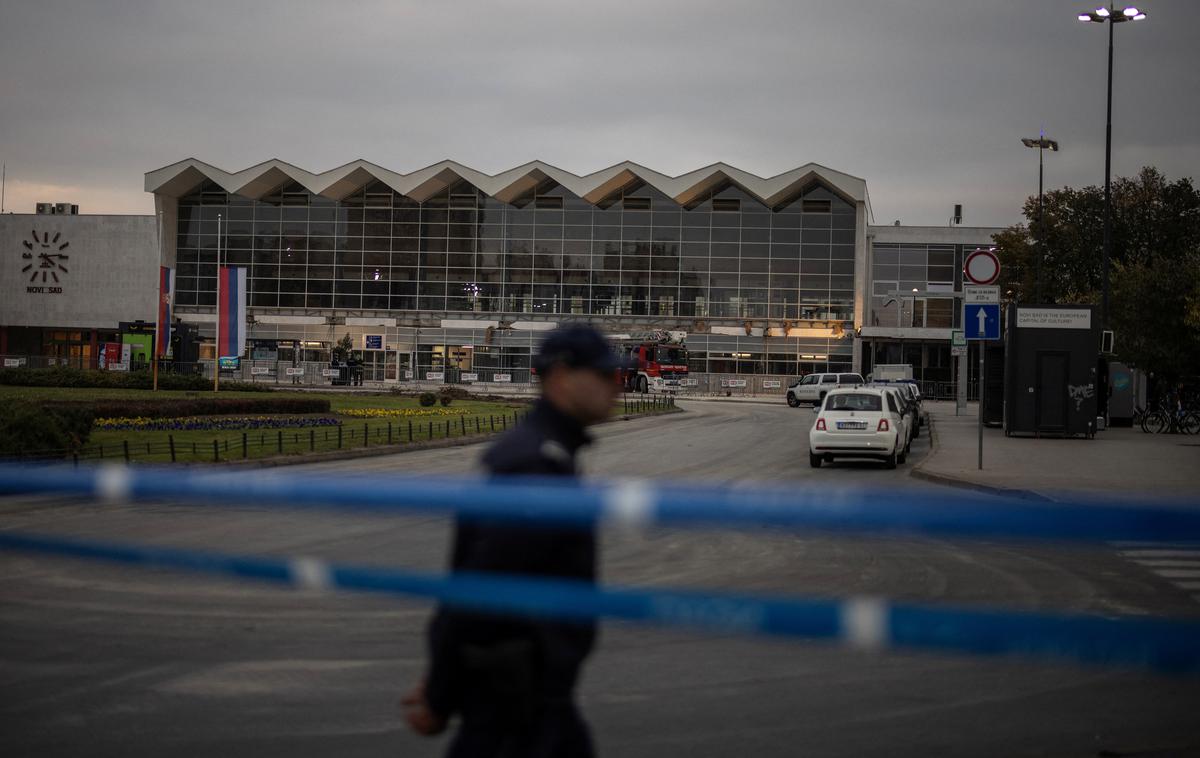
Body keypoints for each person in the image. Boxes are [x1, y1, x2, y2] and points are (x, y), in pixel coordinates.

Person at [403, 324, 623, 758]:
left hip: (534, 699)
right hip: (515, 708)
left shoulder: (547, 455)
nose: (615, 386)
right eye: (603, 374)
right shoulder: (532, 467)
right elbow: (475, 593)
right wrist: (442, 695)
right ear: (561, 376)